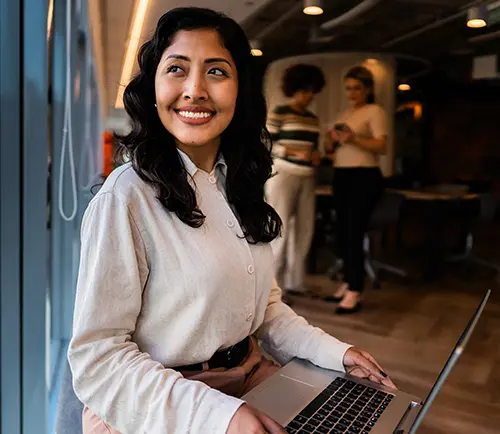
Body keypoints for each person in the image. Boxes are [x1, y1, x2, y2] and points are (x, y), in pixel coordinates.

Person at [68, 9, 395, 434]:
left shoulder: (236, 185)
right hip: (160, 402)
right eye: (177, 70)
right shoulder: (126, 197)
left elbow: (264, 311)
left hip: (248, 375)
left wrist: (337, 353)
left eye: (217, 72)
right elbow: (99, 360)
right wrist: (221, 415)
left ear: (241, 90)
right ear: (153, 87)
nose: (195, 90)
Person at [325, 65, 388, 314]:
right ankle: (350, 280)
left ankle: (355, 289)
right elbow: (333, 149)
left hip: (363, 176)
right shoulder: (346, 112)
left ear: (368, 89)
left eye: (357, 88)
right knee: (341, 231)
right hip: (341, 174)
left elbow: (381, 146)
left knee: (353, 230)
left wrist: (353, 139)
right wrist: (331, 140)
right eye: (348, 88)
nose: (352, 93)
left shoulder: (375, 111)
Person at [265, 64, 324, 296]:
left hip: (308, 177)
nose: (308, 96)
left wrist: (317, 155)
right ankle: (273, 287)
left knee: (304, 230)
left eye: (311, 91)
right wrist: (294, 152)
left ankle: (295, 281)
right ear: (294, 89)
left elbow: (314, 149)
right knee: (279, 230)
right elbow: (266, 144)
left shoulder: (313, 119)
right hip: (283, 175)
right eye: (304, 91)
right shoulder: (280, 112)